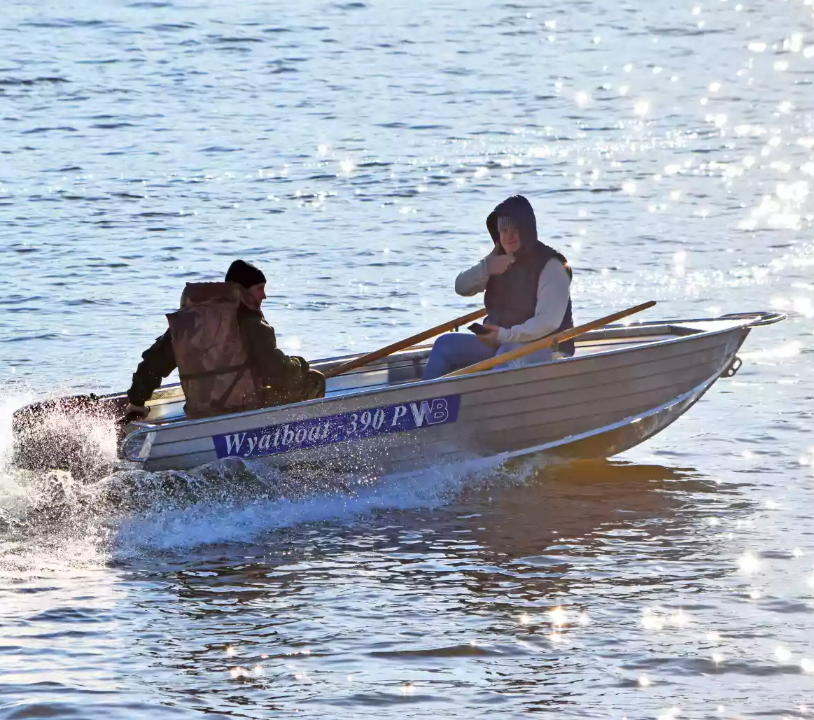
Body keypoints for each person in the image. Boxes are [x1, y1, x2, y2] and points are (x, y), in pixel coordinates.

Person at [124, 260, 325, 422]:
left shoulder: (190, 323)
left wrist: (137, 401)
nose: (264, 295)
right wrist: (300, 365)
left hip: (200, 411)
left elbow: (153, 362)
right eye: (259, 288)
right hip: (246, 407)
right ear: (243, 291)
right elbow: (279, 374)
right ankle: (294, 442)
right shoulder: (251, 323)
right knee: (314, 380)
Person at [422, 195, 574, 380]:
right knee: (444, 344)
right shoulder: (496, 262)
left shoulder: (552, 266)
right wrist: (486, 268)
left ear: (527, 231)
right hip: (502, 342)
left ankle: (484, 405)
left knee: (506, 355)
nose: (509, 236)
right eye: (503, 230)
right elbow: (461, 287)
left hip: (548, 349)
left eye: (516, 229)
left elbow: (549, 322)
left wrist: (504, 335)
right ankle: (424, 405)